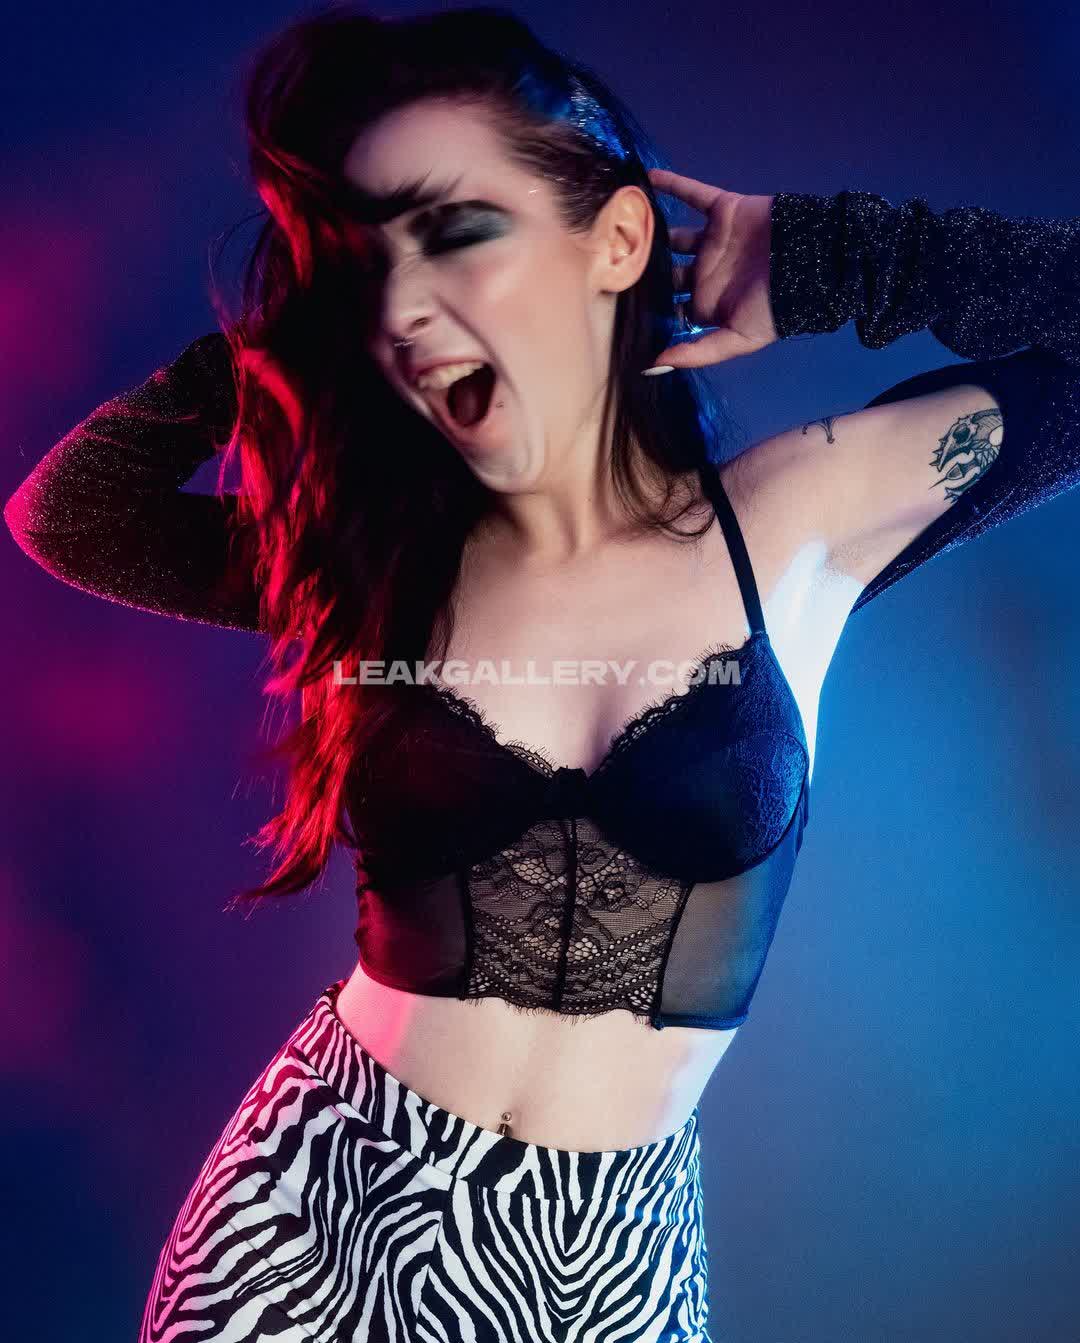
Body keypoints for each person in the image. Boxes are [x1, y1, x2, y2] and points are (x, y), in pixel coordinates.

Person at [7, 6, 1080, 1341]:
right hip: (313, 1218)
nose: (404, 307)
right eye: (369, 268)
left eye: (457, 231)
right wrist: (290, 336)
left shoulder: (801, 519)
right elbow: (70, 517)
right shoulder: (380, 570)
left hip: (607, 1271)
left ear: (615, 242)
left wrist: (825, 258)